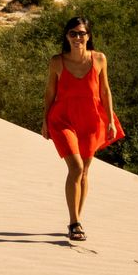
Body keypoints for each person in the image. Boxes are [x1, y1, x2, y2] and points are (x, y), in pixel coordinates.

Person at [41, 16, 124, 241]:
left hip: (91, 120)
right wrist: (44, 120)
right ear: (66, 36)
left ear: (89, 36)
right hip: (63, 119)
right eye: (73, 33)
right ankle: (74, 222)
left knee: (85, 172)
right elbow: (50, 92)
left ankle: (78, 218)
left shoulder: (99, 59)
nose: (77, 37)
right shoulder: (57, 61)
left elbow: (105, 91)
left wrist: (109, 121)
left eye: (81, 33)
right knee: (76, 168)